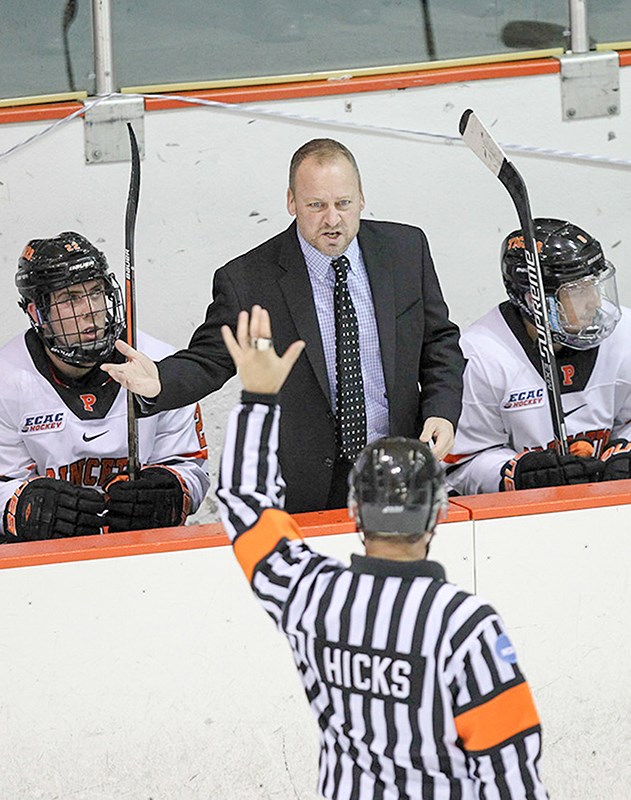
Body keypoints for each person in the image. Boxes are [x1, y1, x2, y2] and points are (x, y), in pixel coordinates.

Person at [216, 305, 548, 799]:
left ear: (354, 512)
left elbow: (245, 504)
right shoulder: (466, 625)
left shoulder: (311, 595)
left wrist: (258, 398)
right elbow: (512, 777)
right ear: (439, 515)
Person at [102, 138, 464, 513]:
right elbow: (209, 359)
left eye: (343, 203)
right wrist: (160, 380)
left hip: (401, 469)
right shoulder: (248, 280)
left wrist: (441, 410)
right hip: (309, 488)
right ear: (292, 202)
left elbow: (439, 342)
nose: (332, 219)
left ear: (361, 198)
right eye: (316, 206)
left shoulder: (406, 250)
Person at [0, 231, 210, 544]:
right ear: (36, 312)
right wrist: (21, 508)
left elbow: (190, 465)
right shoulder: (7, 378)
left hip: (141, 550)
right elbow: (5, 481)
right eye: (70, 298)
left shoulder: (160, 364)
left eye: (96, 292)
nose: (90, 310)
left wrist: (171, 492)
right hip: (42, 558)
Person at [445, 217, 631, 495]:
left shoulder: (625, 332)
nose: (594, 301)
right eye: (578, 291)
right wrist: (517, 474)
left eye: (595, 284)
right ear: (535, 301)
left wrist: (625, 454)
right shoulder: (481, 354)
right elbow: (461, 464)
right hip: (523, 517)